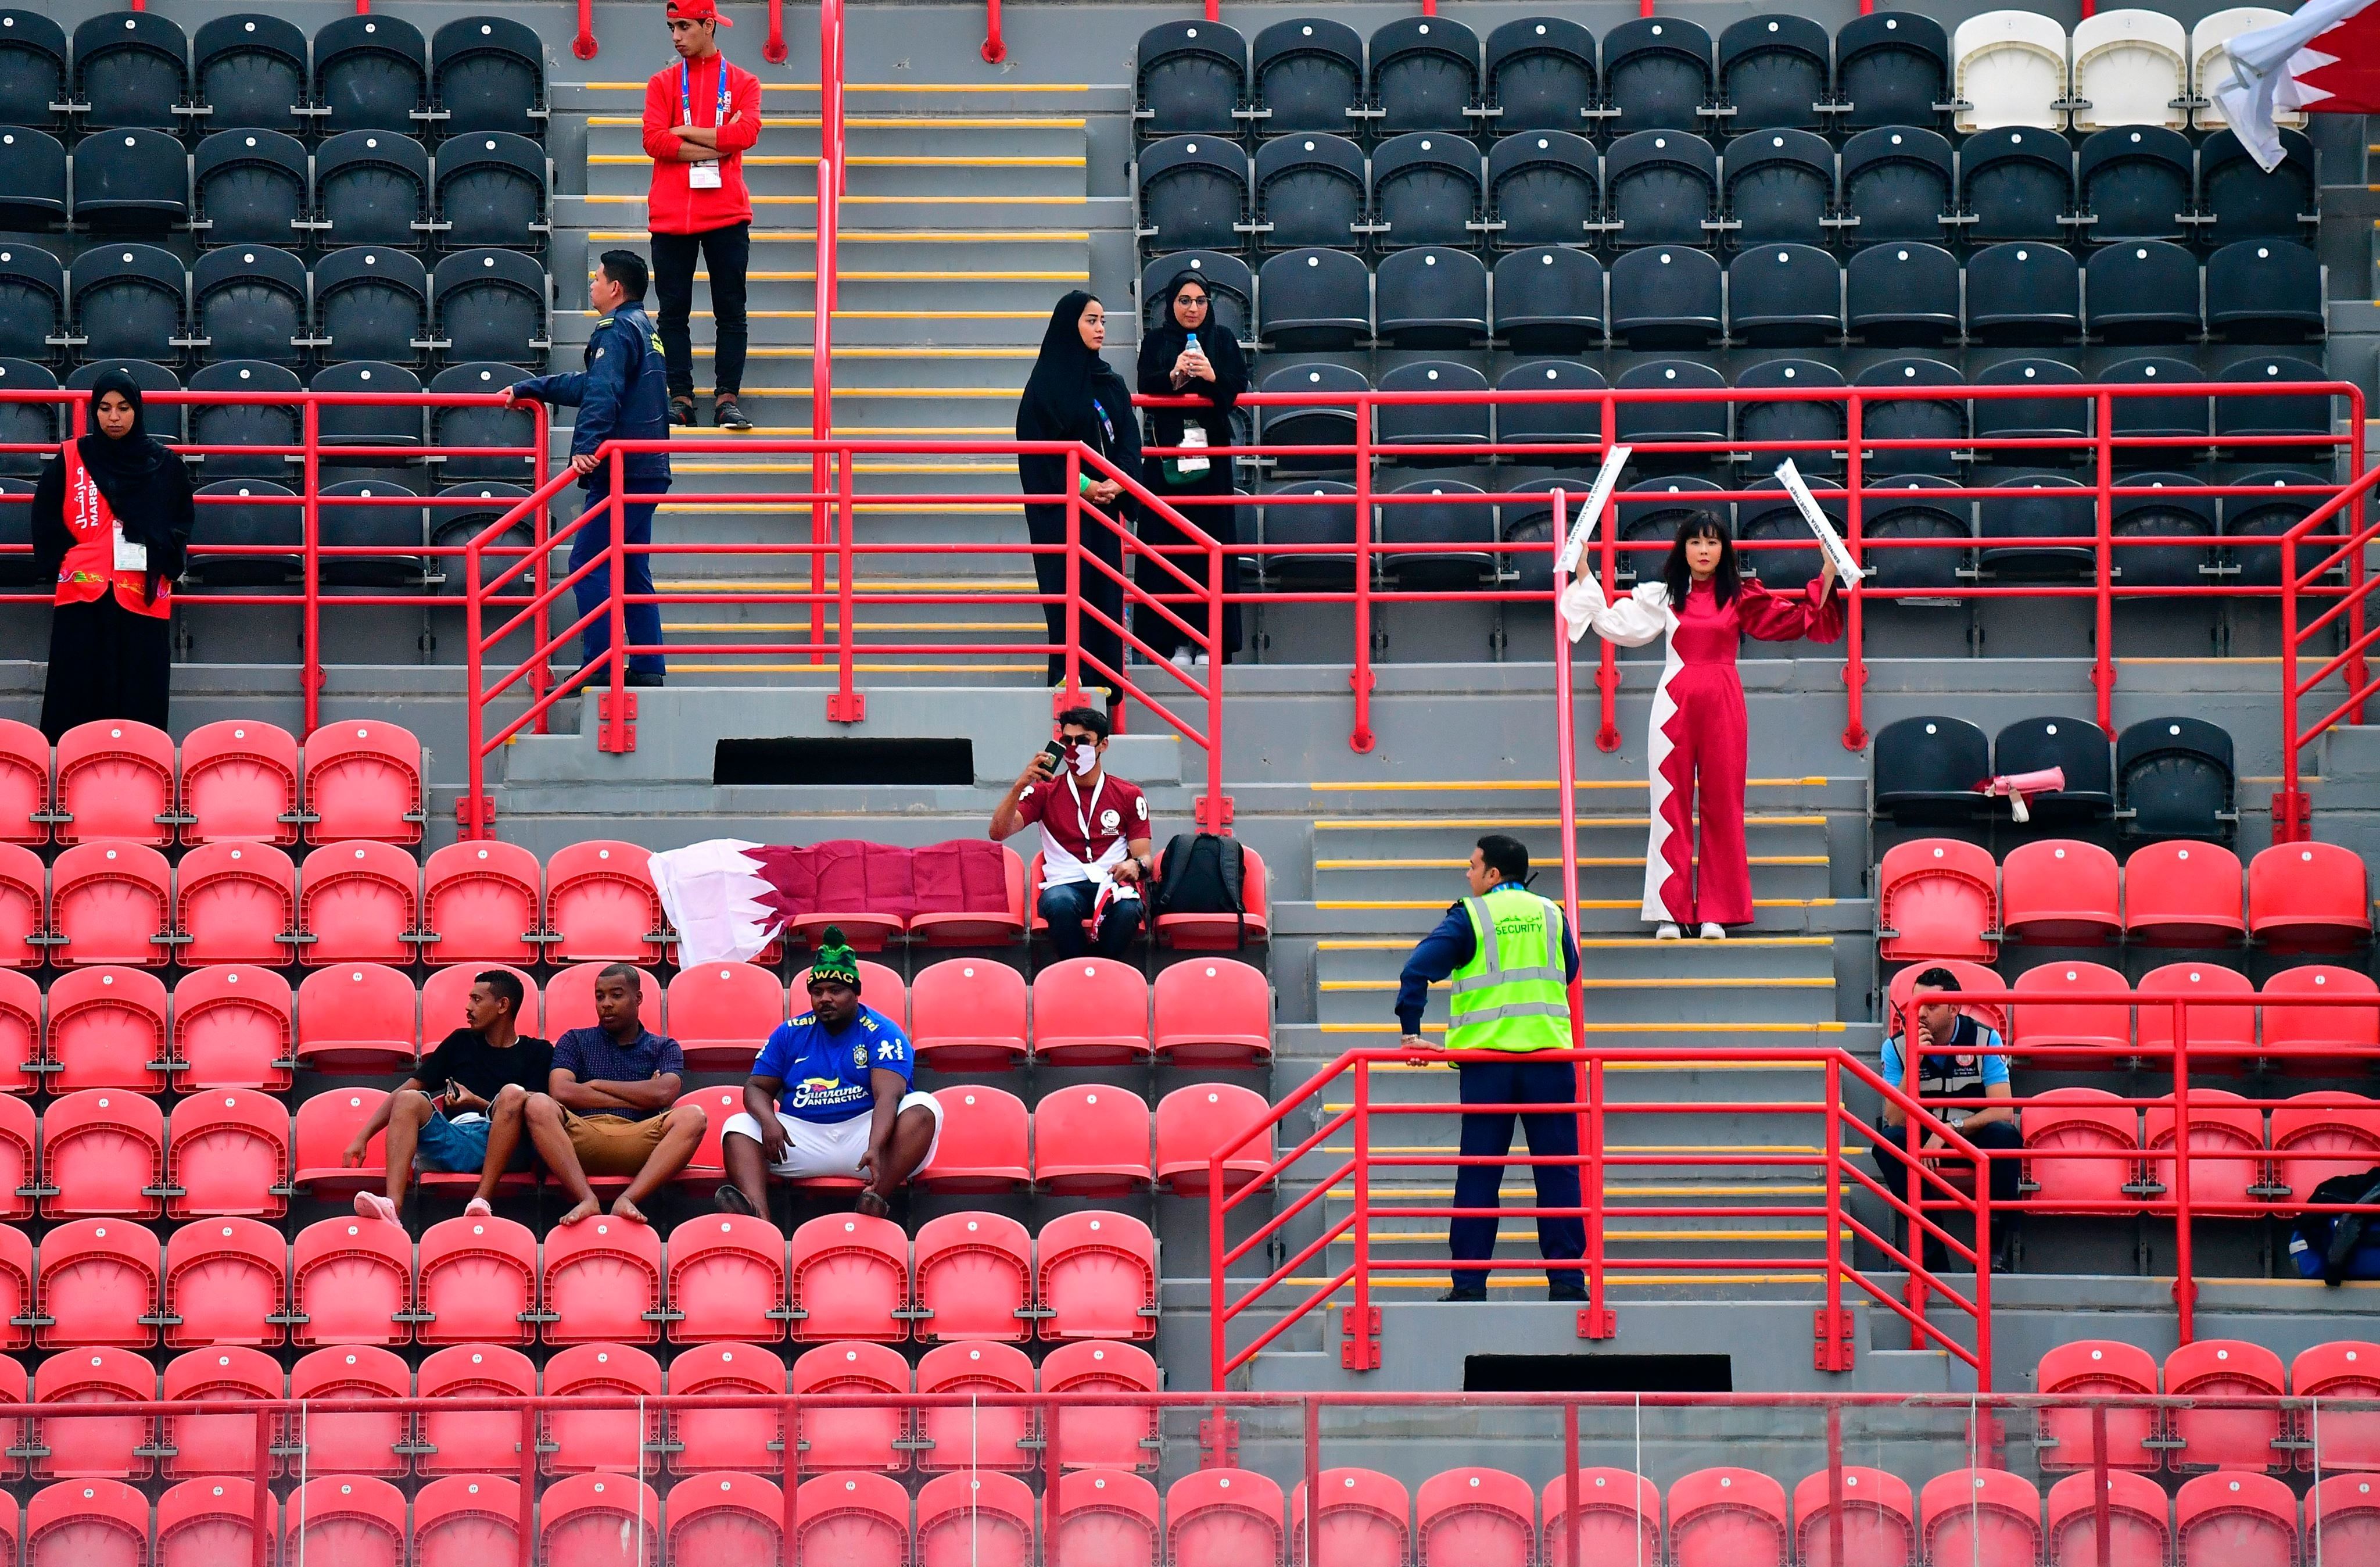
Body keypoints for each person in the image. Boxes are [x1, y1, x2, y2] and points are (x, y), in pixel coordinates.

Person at [1561, 514, 1841, 940]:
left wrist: (1828, 570)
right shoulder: (1664, 596)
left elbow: (1792, 620)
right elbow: (1614, 625)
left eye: (1712, 543)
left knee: (1723, 805)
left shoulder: (1740, 597)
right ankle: (1670, 914)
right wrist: (1583, 568)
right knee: (1669, 807)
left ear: (1724, 549)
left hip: (1725, 702)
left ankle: (1716, 912)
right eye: (1695, 542)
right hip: (1674, 702)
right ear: (1683, 549)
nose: (1704, 551)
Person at [1396, 835, 1585, 1302]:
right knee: (1559, 1175)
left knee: (1479, 1177)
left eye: (1473, 866)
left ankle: (1469, 1288)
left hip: (1488, 1070)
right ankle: (1567, 1286)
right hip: (1551, 1064)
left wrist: (1410, 1029)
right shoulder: (1551, 913)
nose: (1468, 874)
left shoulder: (1470, 915)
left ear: (1494, 875)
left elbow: (1417, 968)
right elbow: (1571, 968)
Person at [508, 251, 673, 690]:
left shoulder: (617, 329)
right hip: (646, 467)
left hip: (623, 471)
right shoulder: (644, 329)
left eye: (598, 278)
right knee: (632, 568)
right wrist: (533, 387)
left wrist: (586, 448)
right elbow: (591, 383)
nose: (594, 283)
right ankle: (647, 666)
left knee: (587, 562)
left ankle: (600, 667)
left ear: (615, 288)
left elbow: (602, 390)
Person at [716, 930, 944, 1219]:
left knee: (925, 1106)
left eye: (836, 991)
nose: (825, 999)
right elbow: (756, 1088)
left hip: (869, 1141)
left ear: (855, 993)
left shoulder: (882, 1031)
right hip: (800, 1139)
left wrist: (875, 1147)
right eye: (817, 992)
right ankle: (759, 1217)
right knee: (738, 1125)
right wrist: (769, 1121)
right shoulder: (790, 1032)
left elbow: (888, 1096)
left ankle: (875, 1196)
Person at [30, 369, 192, 740]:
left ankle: (142, 774)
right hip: (82, 594)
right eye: (104, 408)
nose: (114, 417)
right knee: (77, 689)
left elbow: (181, 521)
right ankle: (70, 777)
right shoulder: (72, 456)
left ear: (137, 410)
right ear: (94, 412)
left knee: (140, 693)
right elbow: (45, 516)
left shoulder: (165, 464)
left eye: (123, 408)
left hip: (142, 593)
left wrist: (163, 556)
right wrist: (66, 561)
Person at [345, 970, 551, 1225]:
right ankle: (392, 1208)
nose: (468, 1007)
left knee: (513, 1093)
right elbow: (407, 1087)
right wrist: (363, 1136)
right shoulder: (460, 1042)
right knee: (409, 1098)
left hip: (508, 1146)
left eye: (477, 1000)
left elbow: (537, 1111)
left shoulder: (539, 1052)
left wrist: (476, 1102)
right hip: (456, 1139)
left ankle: (481, 1200)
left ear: (503, 1005)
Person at [643, 0, 759, 431]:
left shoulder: (744, 82)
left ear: (709, 26)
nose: (676, 36)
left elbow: (746, 134)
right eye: (671, 26)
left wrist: (685, 130)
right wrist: (718, 144)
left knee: (731, 310)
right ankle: (681, 398)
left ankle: (727, 399)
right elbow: (654, 141)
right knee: (673, 312)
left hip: (726, 212)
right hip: (672, 215)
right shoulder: (663, 83)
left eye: (684, 26)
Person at [1016, 292, 1140, 695]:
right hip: (1062, 515)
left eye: (1103, 321)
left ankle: (1105, 684)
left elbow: (1129, 442)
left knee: (1103, 593)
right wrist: (1085, 487)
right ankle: (1069, 683)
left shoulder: (1111, 383)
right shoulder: (1045, 386)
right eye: (1091, 320)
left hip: (1105, 513)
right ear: (1070, 324)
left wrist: (1118, 482)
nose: (1100, 328)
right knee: (1068, 594)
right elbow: (1038, 451)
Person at [525, 964, 708, 1225]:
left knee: (694, 1116)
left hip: (640, 1136)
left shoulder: (663, 1046)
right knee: (538, 1104)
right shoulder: (575, 1040)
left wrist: (597, 1084)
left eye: (617, 995)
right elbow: (561, 1091)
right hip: (582, 1135)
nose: (606, 1004)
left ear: (638, 999)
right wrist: (642, 1092)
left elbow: (664, 1093)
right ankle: (586, 1199)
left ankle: (629, 1199)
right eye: (600, 997)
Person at [1876, 967, 2023, 1272]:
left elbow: (2002, 1110)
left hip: (1970, 1135)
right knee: (1889, 1144)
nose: (1922, 1014)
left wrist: (1949, 1130)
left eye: (1932, 1006)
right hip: (1921, 1136)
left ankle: (1993, 1250)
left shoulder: (1984, 1037)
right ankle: (1930, 1254)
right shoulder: (1896, 1048)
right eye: (1917, 1005)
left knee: (2005, 1136)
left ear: (1954, 1008)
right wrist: (1913, 1065)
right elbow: (1893, 1119)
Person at [1135, 272, 1246, 668]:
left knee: (1209, 550)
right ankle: (1177, 642)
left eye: (1200, 300)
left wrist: (1210, 375)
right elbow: (1146, 390)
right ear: (1171, 304)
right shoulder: (1155, 342)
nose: (1193, 308)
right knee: (1171, 550)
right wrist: (1175, 376)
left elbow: (1237, 387)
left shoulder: (1223, 341)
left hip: (1211, 463)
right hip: (1168, 461)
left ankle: (1209, 642)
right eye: (1184, 300)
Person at [990, 704, 1152, 959]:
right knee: (1059, 904)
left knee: (1130, 909)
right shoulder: (1044, 791)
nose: (1074, 748)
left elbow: (1145, 858)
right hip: (1064, 884)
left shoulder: (1129, 794)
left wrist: (1135, 866)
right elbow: (998, 832)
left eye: (1083, 740)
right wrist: (1019, 786)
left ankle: (1099, 972)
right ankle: (1076, 972)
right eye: (1068, 740)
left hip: (1111, 882)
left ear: (1103, 745)